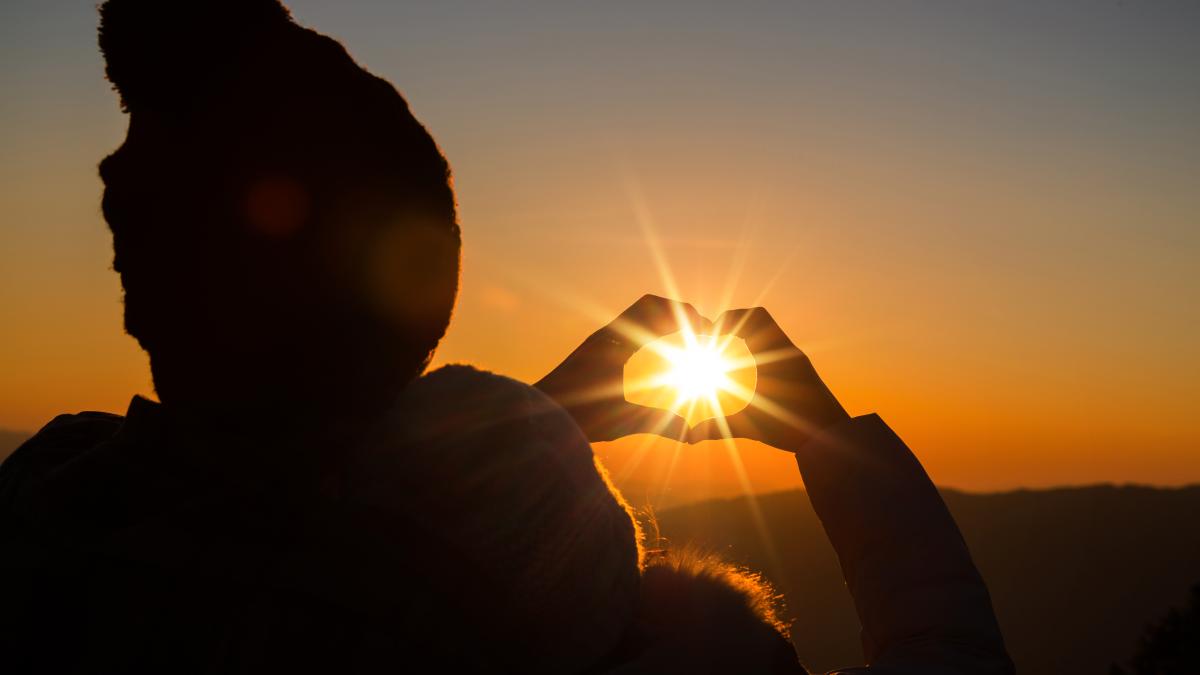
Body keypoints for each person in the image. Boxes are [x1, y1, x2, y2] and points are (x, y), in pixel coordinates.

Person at [0, 1, 1013, 673]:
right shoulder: (480, 602)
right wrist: (835, 447)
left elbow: (303, 500)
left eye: (146, 151)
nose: (105, 177)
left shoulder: (63, 506)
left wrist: (536, 420)